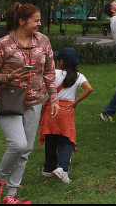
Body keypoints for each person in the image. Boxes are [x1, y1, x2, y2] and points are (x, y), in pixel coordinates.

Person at [0, 2, 59, 205]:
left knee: (26, 150)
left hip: (34, 101)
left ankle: (10, 195)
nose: (39, 24)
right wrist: (8, 76)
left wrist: (53, 96)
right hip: (8, 100)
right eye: (36, 20)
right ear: (22, 21)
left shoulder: (43, 41)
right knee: (18, 144)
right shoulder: (4, 44)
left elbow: (50, 71)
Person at [39, 47, 92, 184]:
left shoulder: (54, 74)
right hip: (67, 111)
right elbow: (89, 88)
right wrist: (75, 103)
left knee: (50, 138)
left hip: (52, 109)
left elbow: (43, 91)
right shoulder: (79, 76)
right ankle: (63, 168)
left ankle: (48, 168)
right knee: (66, 140)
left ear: (61, 62)